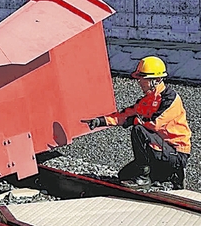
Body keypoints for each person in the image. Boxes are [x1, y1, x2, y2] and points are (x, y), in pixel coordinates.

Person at [82, 56, 191, 189]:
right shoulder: (147, 100)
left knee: (138, 129)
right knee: (124, 176)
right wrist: (100, 121)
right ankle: (167, 175)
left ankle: (146, 177)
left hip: (176, 153)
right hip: (160, 149)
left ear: (156, 80)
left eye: (142, 78)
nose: (139, 81)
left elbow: (154, 122)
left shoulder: (170, 99)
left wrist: (133, 121)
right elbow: (125, 114)